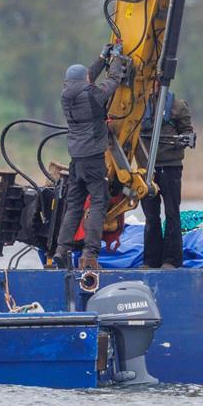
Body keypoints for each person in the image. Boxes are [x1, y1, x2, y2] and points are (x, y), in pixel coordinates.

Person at [53, 45, 125, 271]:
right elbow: (113, 81)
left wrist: (102, 58)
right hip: (94, 160)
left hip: (76, 160)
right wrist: (117, 59)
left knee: (74, 206)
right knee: (98, 203)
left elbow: (87, 78)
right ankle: (90, 253)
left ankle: (61, 250)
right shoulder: (94, 96)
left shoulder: (66, 95)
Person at [140, 86, 194, 268]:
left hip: (170, 167)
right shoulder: (137, 106)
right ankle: (150, 261)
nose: (152, 84)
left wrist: (183, 139)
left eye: (157, 80)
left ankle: (172, 260)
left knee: (172, 213)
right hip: (145, 170)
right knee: (150, 216)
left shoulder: (178, 106)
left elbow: (187, 131)